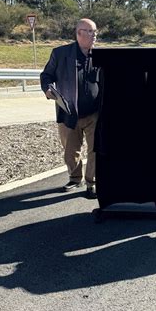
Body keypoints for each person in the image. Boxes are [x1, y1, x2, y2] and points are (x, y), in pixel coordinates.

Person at [40, 18, 100, 199]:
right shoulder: (61, 54)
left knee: (95, 149)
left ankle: (93, 183)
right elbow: (46, 75)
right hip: (69, 112)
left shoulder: (101, 55)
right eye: (90, 32)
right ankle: (75, 178)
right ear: (78, 33)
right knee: (70, 150)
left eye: (95, 31)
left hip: (94, 113)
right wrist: (48, 89)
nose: (94, 35)